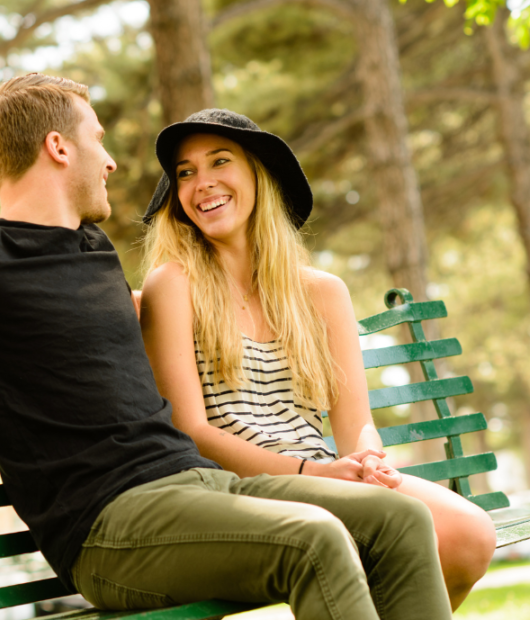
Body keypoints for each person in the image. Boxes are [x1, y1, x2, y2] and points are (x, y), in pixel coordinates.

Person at [0, 74, 453, 620]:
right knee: (314, 540)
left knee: (396, 519)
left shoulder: (93, 252)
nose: (112, 160)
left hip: (197, 487)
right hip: (110, 528)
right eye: (97, 138)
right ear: (58, 147)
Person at [138, 108, 496, 611]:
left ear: (259, 176)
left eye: (221, 162)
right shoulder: (174, 285)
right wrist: (310, 472)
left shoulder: (322, 293)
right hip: (238, 486)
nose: (203, 183)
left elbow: (356, 424)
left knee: (470, 534)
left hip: (323, 471)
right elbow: (192, 430)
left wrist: (367, 459)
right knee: (390, 536)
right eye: (186, 172)